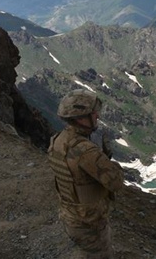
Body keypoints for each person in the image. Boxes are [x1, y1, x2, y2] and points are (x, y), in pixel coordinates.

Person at [48, 89, 125, 258]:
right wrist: (110, 163)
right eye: (92, 113)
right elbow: (116, 183)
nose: (97, 115)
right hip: (90, 223)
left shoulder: (58, 140)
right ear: (81, 118)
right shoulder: (85, 151)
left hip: (70, 215)